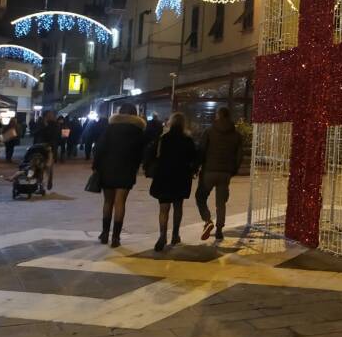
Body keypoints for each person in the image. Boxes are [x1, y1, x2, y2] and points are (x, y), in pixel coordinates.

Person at [92, 104, 146, 247]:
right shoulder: (138, 131)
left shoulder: (110, 128)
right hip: (127, 170)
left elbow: (99, 148)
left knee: (108, 202)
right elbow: (141, 153)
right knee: (120, 202)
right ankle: (116, 237)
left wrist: (96, 166)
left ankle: (104, 233)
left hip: (107, 168)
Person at [144, 112, 198, 251]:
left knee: (164, 208)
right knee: (178, 207)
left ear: (171, 123)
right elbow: (195, 157)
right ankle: (175, 234)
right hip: (181, 177)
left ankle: (162, 235)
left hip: (164, 175)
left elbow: (151, 154)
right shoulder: (188, 140)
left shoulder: (163, 138)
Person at [195, 107, 242, 241]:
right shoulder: (236, 135)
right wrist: (233, 170)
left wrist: (198, 166)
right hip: (225, 173)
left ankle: (207, 220)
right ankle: (219, 229)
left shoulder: (209, 131)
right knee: (221, 203)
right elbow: (239, 155)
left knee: (200, 197)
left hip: (209, 171)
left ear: (218, 116)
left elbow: (202, 150)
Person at [32, 110, 61, 190]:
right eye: (48, 115)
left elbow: (54, 135)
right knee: (39, 166)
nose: (50, 116)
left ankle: (49, 180)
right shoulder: (40, 123)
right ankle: (40, 183)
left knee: (49, 166)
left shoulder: (55, 125)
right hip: (39, 147)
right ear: (45, 116)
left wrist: (46, 126)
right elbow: (35, 133)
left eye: (51, 115)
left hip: (50, 148)